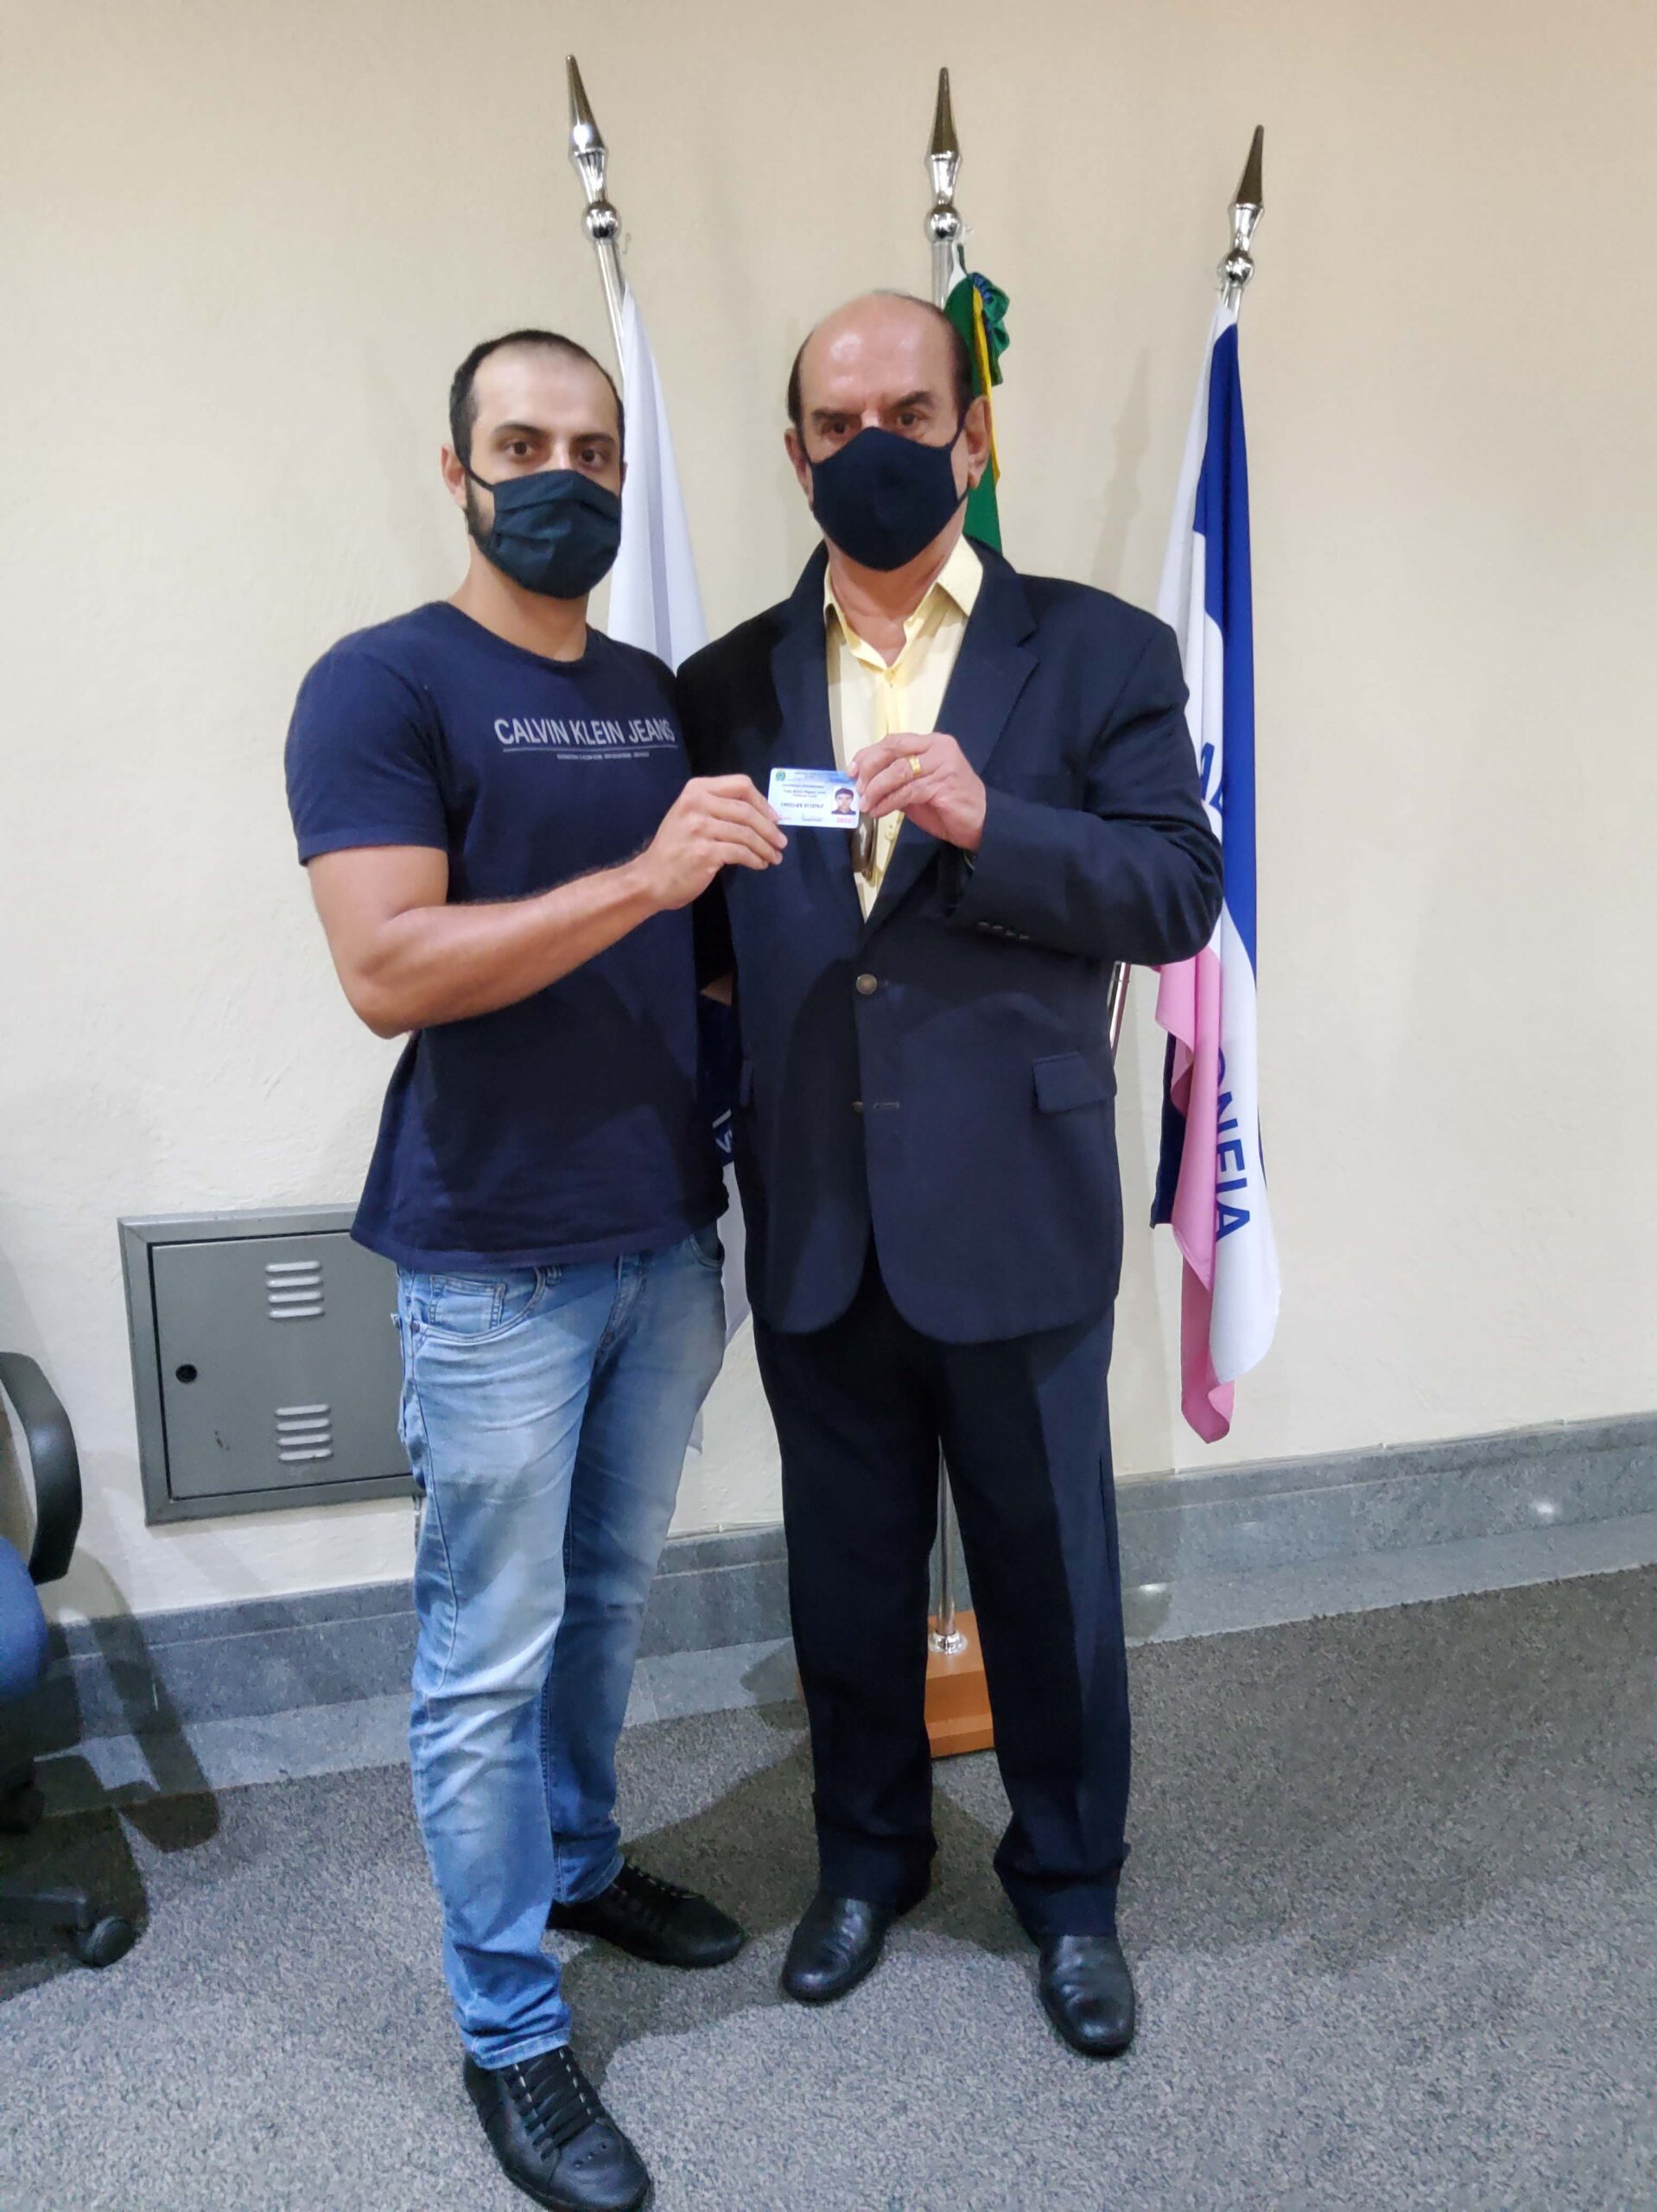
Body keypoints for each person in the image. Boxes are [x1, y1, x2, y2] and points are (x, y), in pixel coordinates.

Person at [676, 291, 1223, 2059]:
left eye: (913, 413)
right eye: (839, 426)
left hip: (1016, 1205)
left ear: (973, 435)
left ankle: (1069, 1888)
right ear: (797, 457)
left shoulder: (1102, 651)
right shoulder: (723, 684)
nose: (879, 448)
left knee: (1047, 1573)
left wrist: (995, 822)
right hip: (820, 1211)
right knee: (845, 1575)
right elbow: (711, 950)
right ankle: (867, 1859)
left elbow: (1176, 891)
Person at [284, 328, 784, 2212]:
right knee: (484, 1656)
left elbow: (698, 947)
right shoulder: (382, 682)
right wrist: (643, 883)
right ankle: (508, 2029)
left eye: (592, 447)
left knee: (607, 1598)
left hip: (664, 1235)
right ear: (458, 471)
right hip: (494, 1258)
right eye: (521, 446)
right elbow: (387, 968)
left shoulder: (652, 694)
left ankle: (577, 1862)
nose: (561, 476)